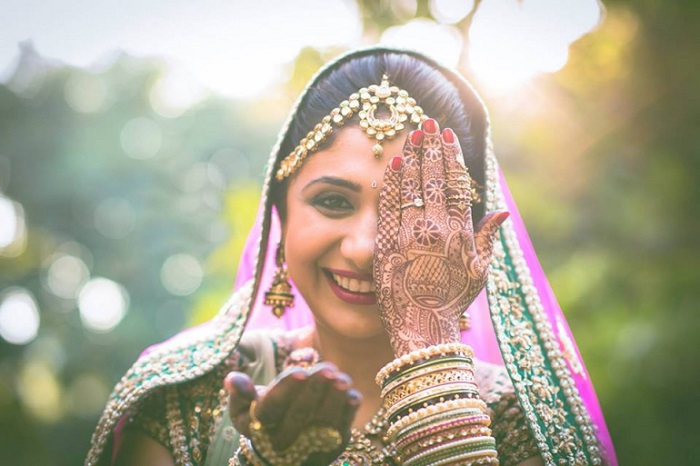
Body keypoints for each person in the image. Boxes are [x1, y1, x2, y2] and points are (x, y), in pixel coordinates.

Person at [86, 48, 617, 466]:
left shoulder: (522, 423)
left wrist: (433, 377)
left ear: (470, 237)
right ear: (280, 218)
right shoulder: (183, 397)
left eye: (408, 210)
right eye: (332, 202)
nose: (365, 248)